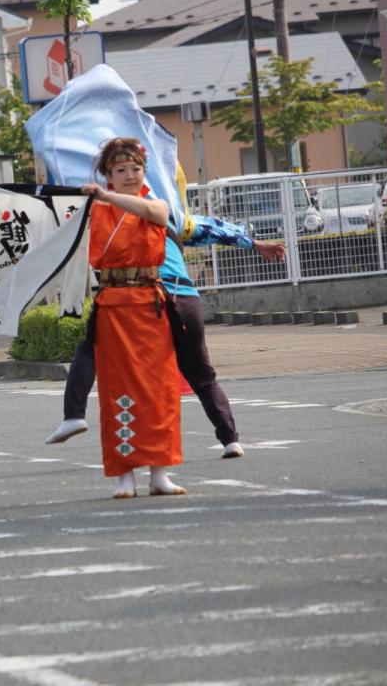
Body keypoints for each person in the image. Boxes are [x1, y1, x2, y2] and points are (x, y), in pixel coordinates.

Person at [45, 176, 288, 459]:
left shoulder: (107, 216)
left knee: (98, 352)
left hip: (148, 299)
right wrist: (255, 244)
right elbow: (213, 229)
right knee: (202, 376)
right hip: (186, 299)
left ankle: (77, 415)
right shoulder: (169, 216)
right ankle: (230, 439)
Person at [80, 138, 185, 499]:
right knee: (116, 393)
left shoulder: (152, 203)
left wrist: (107, 197)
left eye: (135, 169)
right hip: (113, 308)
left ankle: (160, 472)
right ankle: (125, 475)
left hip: (150, 307)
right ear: (108, 174)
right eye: (120, 170)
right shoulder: (93, 208)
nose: (128, 175)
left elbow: (156, 215)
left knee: (160, 391)